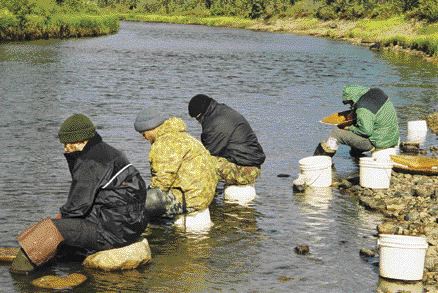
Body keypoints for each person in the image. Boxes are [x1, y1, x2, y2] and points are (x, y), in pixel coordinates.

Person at [11, 114, 148, 273]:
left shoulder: (90, 163)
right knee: (65, 226)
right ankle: (70, 258)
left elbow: (77, 207)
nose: (65, 149)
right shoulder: (107, 152)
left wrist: (56, 224)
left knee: (49, 229)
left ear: (82, 141)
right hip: (131, 226)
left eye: (68, 145)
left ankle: (19, 274)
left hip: (113, 234)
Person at [134, 108, 217, 218]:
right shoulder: (184, 137)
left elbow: (161, 184)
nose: (143, 137)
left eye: (143, 133)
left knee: (140, 204)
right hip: (204, 195)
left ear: (151, 128)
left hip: (191, 200)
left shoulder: (164, 143)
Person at [188, 94, 266, 186]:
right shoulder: (220, 111)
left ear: (201, 114)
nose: (198, 122)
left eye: (197, 118)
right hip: (248, 163)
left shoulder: (216, 123)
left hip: (246, 171)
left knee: (202, 162)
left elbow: (208, 154)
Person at [314, 85, 400, 157]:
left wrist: (349, 128)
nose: (351, 105)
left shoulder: (363, 109)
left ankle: (321, 160)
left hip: (380, 143)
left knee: (336, 133)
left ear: (353, 99)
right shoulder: (377, 92)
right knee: (358, 127)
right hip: (392, 138)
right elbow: (373, 116)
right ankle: (357, 156)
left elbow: (366, 131)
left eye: (351, 103)